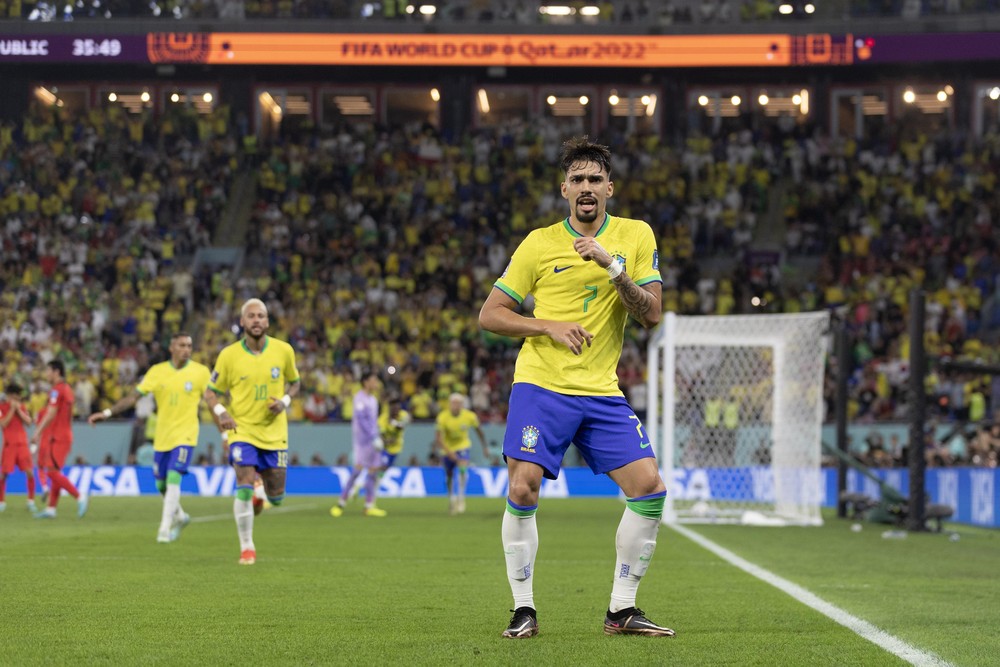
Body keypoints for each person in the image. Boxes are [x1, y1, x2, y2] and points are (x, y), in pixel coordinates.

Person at [479, 136, 671, 639]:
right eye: (578, 180)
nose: (587, 188)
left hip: (601, 389)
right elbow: (490, 314)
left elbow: (651, 314)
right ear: (564, 189)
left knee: (649, 489)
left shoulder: (635, 235)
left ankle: (621, 611)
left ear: (610, 187)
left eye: (595, 180)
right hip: (541, 385)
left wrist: (613, 267)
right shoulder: (539, 243)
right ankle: (524, 610)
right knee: (522, 485)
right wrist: (547, 325)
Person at [88, 332, 212, 543]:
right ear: (172, 347)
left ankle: (164, 528)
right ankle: (180, 517)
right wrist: (108, 413)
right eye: (182, 345)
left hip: (186, 435)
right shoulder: (157, 372)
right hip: (163, 437)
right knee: (161, 485)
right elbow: (133, 397)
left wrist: (226, 432)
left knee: (174, 477)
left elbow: (211, 400)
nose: (187, 350)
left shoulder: (200, 372)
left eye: (189, 346)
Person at [204, 298, 300, 565]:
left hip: (274, 432)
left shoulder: (284, 351)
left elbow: (295, 383)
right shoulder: (228, 355)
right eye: (251, 316)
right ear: (242, 322)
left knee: (276, 498)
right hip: (242, 429)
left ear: (267, 321)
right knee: (243, 486)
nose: (256, 320)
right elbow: (210, 392)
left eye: (261, 316)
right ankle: (247, 547)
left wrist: (285, 402)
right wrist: (222, 413)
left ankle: (261, 493)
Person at [31, 360, 88, 519]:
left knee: (52, 472)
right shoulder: (67, 389)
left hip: (58, 437)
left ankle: (80, 496)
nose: (46, 374)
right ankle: (51, 509)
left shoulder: (56, 390)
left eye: (48, 371)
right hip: (63, 435)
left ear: (56, 372)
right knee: (54, 471)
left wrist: (37, 432)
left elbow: (51, 413)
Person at [330, 371, 388, 518]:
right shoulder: (360, 398)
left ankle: (369, 506)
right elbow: (362, 420)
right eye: (374, 380)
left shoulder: (373, 399)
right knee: (356, 472)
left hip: (374, 440)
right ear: (366, 382)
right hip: (363, 442)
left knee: (373, 473)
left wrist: (377, 434)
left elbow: (372, 421)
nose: (376, 383)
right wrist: (373, 436)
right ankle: (340, 503)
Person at [433, 392, 489, 515]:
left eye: (458, 403)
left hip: (463, 446)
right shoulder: (442, 417)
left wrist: (485, 447)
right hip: (447, 448)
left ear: (462, 405)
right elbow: (438, 438)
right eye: (453, 403)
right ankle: (451, 498)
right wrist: (449, 453)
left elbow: (479, 431)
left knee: (463, 468)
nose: (456, 406)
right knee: (449, 475)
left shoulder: (469, 416)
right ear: (449, 404)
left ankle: (461, 498)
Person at [0, 381, 37, 512]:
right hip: (9, 445)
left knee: (30, 473)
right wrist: (11, 409)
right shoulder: (2, 407)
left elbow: (28, 422)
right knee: (3, 474)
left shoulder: (22, 406)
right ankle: (1, 502)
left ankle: (31, 501)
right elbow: (3, 424)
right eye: (17, 395)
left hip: (22, 445)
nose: (20, 398)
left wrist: (18, 410)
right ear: (11, 395)